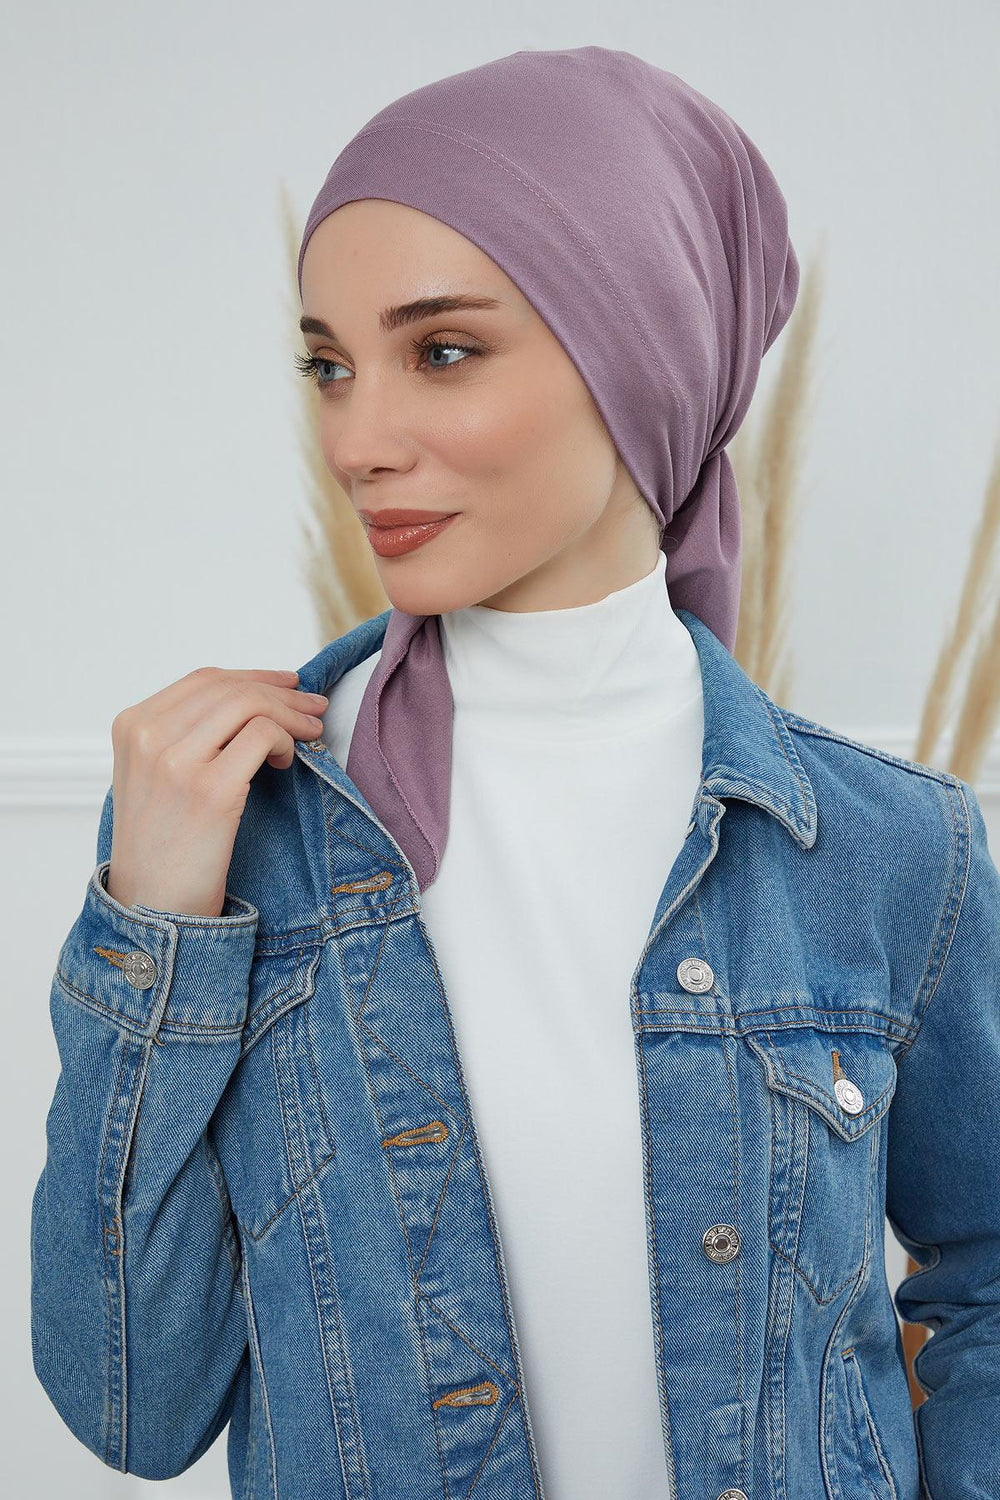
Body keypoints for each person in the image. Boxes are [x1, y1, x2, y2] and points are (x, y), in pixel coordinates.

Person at [30, 46, 1000, 1500]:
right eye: (329, 367)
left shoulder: (891, 848)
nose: (358, 442)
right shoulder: (231, 823)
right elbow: (131, 1406)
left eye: (442, 351)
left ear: (642, 352)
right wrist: (158, 930)